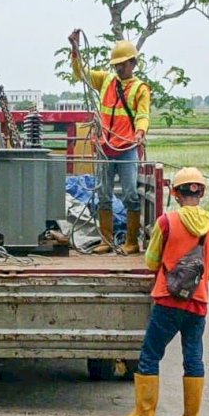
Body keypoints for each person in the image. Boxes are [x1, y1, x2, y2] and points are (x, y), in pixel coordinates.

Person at [113, 167, 209, 416]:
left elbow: (151, 261)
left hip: (168, 300)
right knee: (194, 356)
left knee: (150, 354)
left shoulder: (167, 222)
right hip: (198, 303)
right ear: (202, 192)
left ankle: (145, 415)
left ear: (175, 193)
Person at [68, 29, 151, 254]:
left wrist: (140, 132)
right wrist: (75, 51)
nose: (118, 68)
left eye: (122, 64)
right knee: (103, 193)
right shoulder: (106, 81)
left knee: (130, 194)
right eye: (116, 65)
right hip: (105, 148)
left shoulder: (139, 89)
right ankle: (106, 240)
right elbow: (81, 74)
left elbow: (143, 115)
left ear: (133, 63)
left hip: (127, 149)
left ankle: (132, 242)